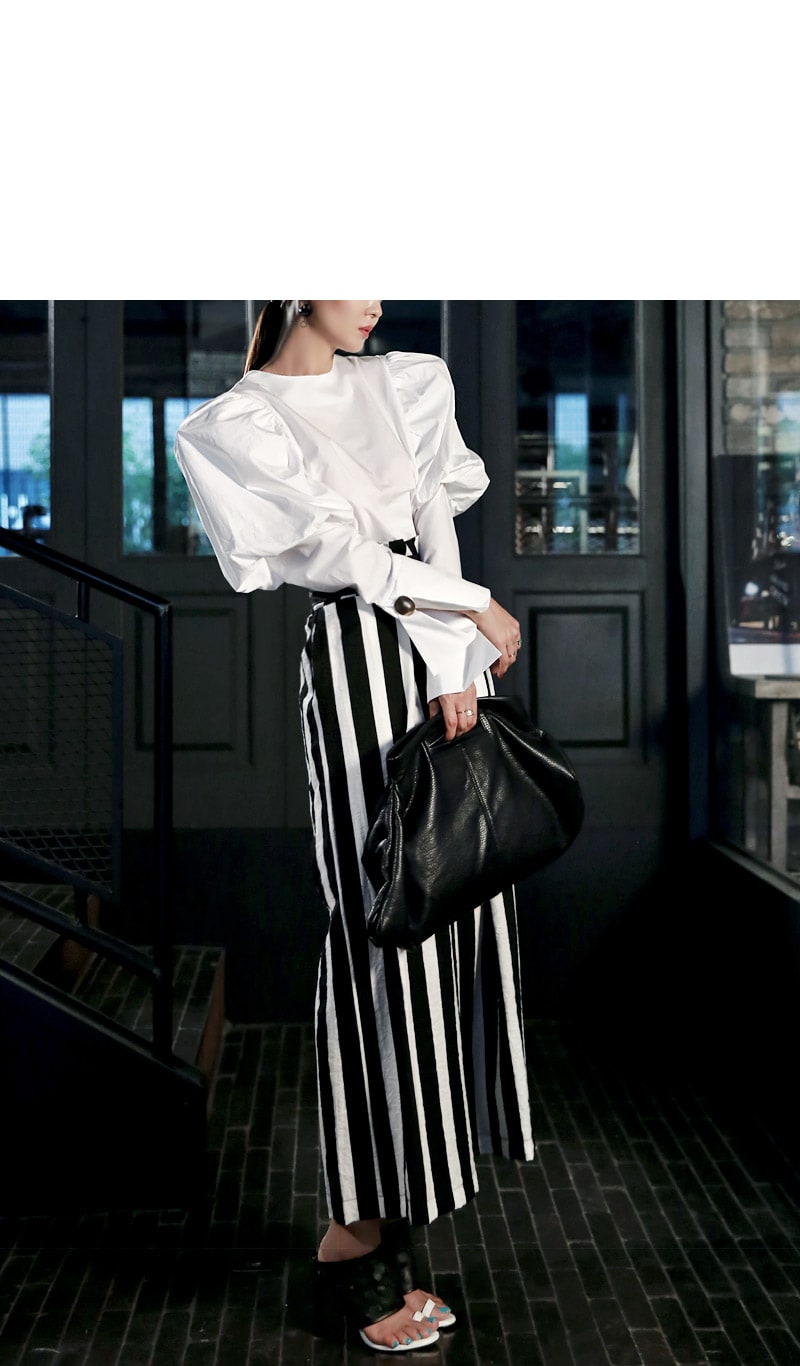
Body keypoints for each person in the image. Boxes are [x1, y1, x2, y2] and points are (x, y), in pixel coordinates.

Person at [174, 300, 534, 1353]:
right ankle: (353, 1244)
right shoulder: (236, 423)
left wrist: (456, 655)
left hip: (436, 659)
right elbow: (338, 553)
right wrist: (465, 608)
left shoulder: (406, 380)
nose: (377, 295)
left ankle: (388, 1228)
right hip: (353, 667)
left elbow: (430, 519)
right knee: (380, 929)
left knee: (451, 923)